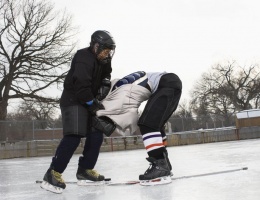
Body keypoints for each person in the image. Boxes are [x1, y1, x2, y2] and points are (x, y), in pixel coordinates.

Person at [40, 30, 116, 193]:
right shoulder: (83, 58)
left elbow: (107, 74)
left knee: (97, 133)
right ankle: (53, 173)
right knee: (74, 135)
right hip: (74, 100)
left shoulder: (104, 60)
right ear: (96, 46)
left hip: (89, 101)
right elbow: (81, 87)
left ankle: (85, 170)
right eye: (105, 50)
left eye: (109, 51)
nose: (107, 54)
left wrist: (105, 82)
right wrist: (93, 105)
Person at [95, 71, 182, 185]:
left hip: (166, 84)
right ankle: (164, 162)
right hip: (171, 82)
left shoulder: (119, 94)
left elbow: (131, 121)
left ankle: (160, 166)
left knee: (147, 124)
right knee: (156, 125)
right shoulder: (117, 86)